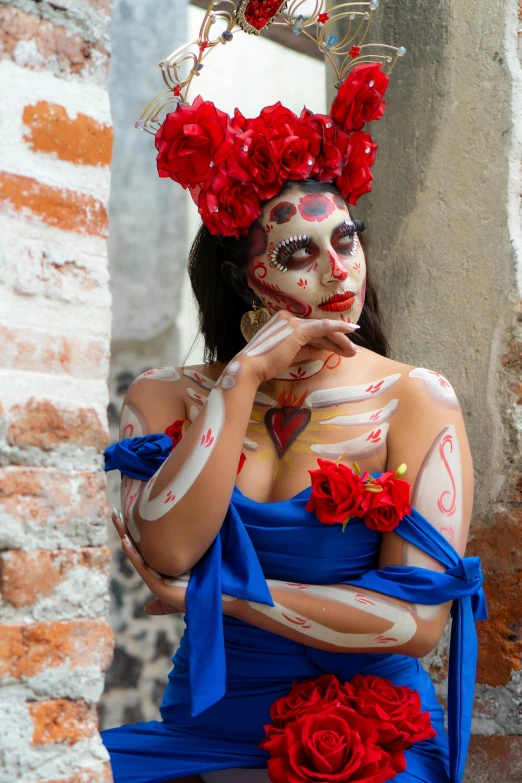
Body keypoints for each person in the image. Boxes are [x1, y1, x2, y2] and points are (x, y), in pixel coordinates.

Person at [101, 6, 486, 782]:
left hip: (369, 739)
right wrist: (239, 379)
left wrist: (227, 600)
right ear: (248, 280)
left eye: (346, 240)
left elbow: (413, 624)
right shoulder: (165, 398)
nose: (339, 270)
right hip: (206, 728)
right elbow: (171, 551)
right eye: (300, 252)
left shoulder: (417, 399)